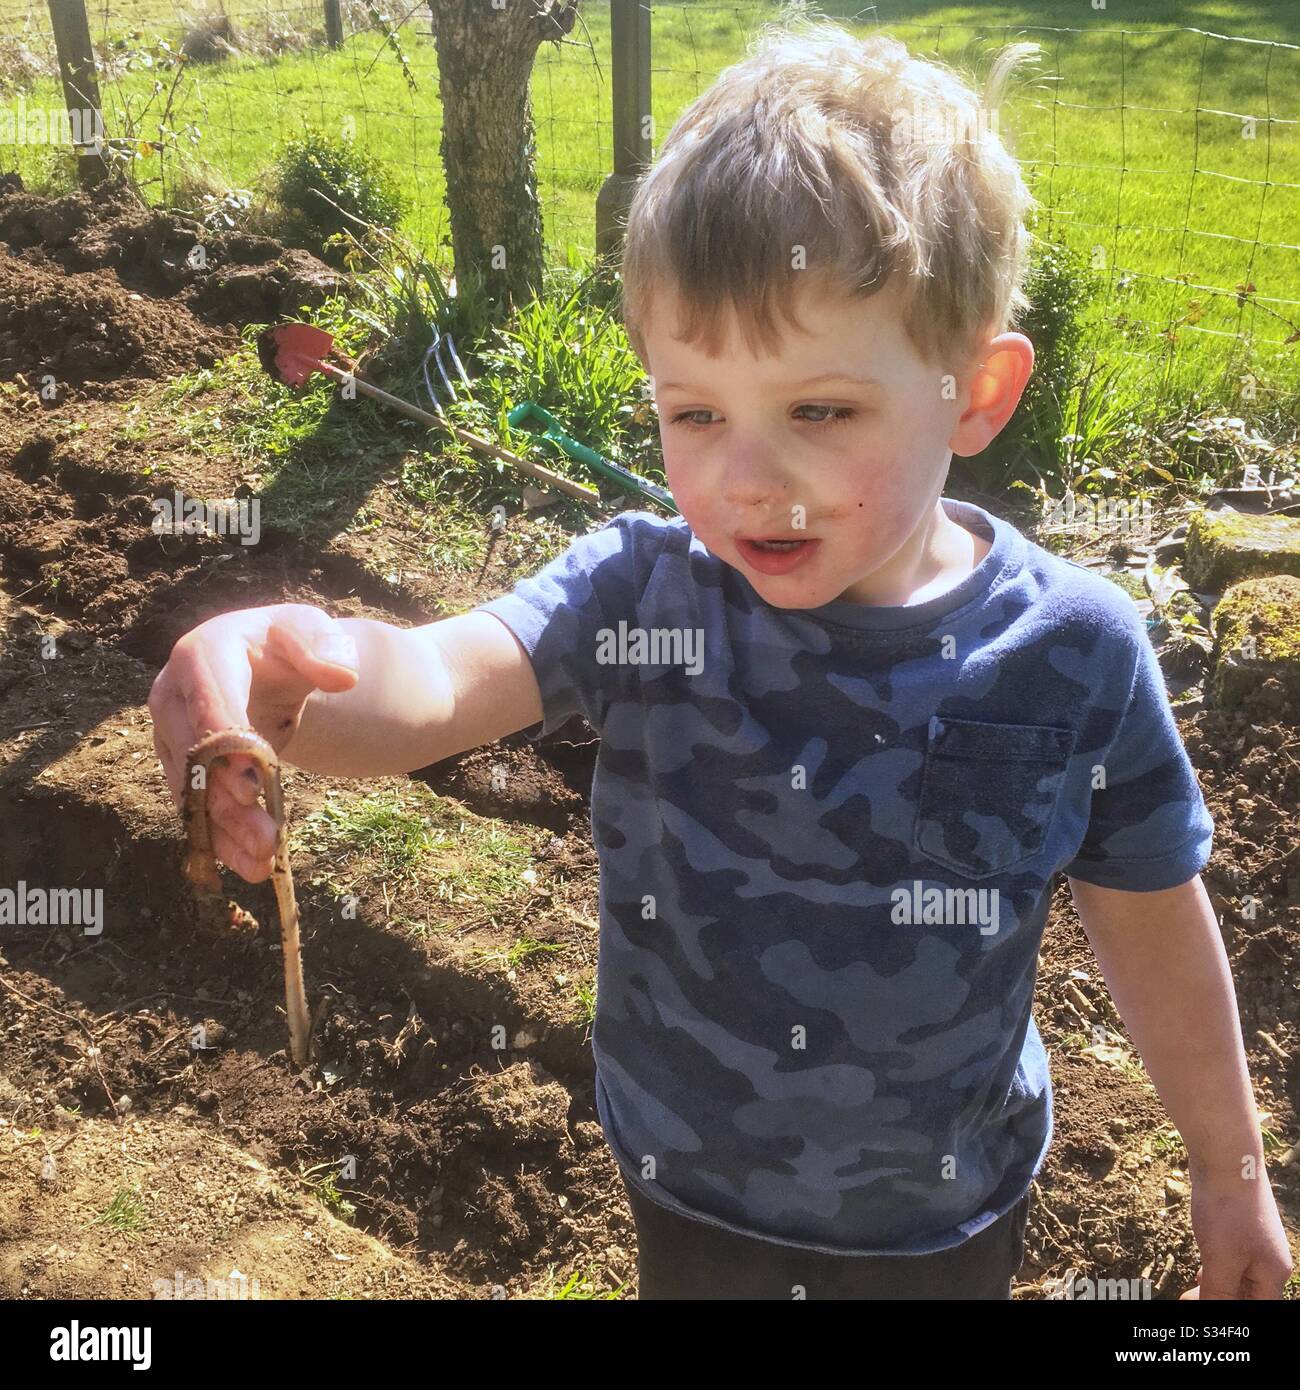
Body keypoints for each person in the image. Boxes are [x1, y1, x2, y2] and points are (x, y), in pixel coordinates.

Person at [148, 19, 1292, 1300]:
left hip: (944, 1226)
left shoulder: (1069, 653)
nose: (749, 479)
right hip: (687, 1188)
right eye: (694, 412)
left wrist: (1229, 1167)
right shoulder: (642, 592)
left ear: (972, 394)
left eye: (819, 410)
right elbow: (431, 686)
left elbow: (1145, 912)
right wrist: (282, 674)